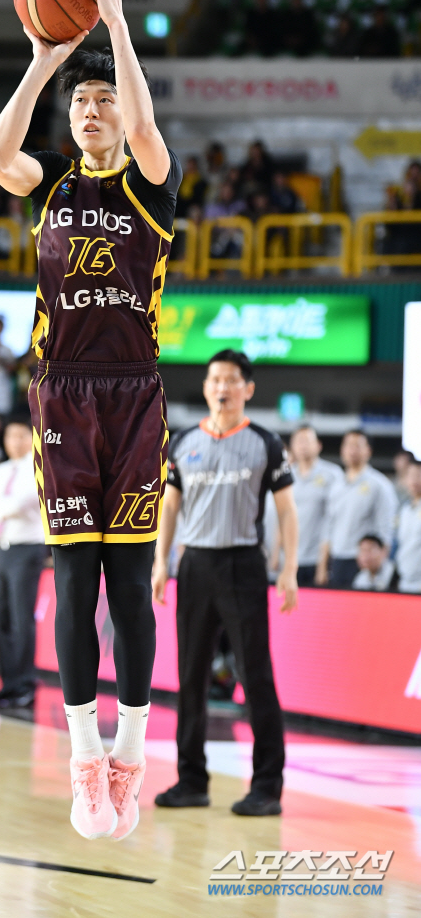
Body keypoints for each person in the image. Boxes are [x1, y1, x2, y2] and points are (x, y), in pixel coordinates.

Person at [0, 0, 181, 842]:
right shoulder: (51, 185)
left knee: (129, 583)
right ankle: (82, 758)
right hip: (63, 393)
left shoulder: (150, 182)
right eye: (80, 105)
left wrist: (118, 25)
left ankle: (132, 751)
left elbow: (142, 122)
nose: (89, 113)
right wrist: (43, 59)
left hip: (135, 394)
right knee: (74, 577)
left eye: (99, 103)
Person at [153, 349, 298, 817]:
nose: (222, 387)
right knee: (190, 675)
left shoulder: (265, 443)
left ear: (248, 389)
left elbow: (287, 511)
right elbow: (169, 508)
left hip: (242, 567)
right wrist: (161, 562)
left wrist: (290, 569)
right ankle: (191, 780)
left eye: (232, 380)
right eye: (215, 378)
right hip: (194, 566)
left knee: (255, 675)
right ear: (206, 385)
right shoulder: (183, 442)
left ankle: (266, 787)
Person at [0, 419, 47, 709]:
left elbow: (21, 503)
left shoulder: (39, 467)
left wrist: (0, 509)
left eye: (21, 435)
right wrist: (1, 511)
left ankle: (25, 685)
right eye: (10, 435)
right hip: (1, 550)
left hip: (27, 548)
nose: (15, 441)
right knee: (2, 617)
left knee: (21, 617)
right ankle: (8, 683)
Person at [319, 431, 397, 589]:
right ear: (342, 450)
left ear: (368, 450)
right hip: (337, 559)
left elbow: (387, 529)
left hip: (364, 562)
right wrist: (322, 565)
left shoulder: (379, 485)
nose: (352, 450)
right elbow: (328, 527)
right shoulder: (336, 485)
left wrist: (379, 568)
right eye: (348, 445)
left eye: (357, 446)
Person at [286, 425, 343, 587]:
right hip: (292, 558)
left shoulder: (333, 475)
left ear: (318, 445)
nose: (302, 446)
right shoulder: (286, 476)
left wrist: (323, 564)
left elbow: (333, 520)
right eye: (298, 441)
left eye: (307, 441)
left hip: (319, 558)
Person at [395, 458, 421, 593]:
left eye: (419, 475)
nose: (414, 480)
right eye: (411, 476)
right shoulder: (404, 510)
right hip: (405, 579)